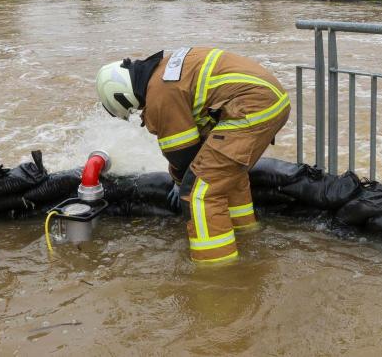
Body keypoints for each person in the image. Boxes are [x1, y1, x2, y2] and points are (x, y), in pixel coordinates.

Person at [95, 48, 289, 264]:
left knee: (199, 192)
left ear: (121, 96)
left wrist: (180, 183)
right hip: (269, 100)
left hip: (251, 107)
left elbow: (182, 154)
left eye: (134, 109)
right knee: (226, 177)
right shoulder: (164, 71)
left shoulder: (160, 93)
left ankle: (218, 269)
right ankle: (246, 234)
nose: (139, 111)